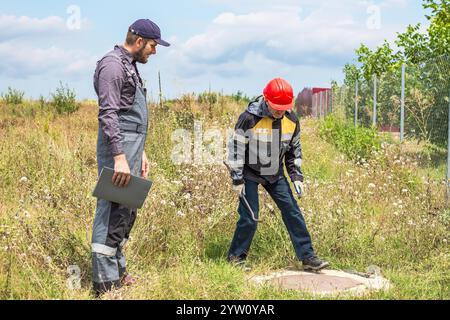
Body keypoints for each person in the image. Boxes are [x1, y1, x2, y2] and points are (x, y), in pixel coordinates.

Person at [91, 19, 170, 295]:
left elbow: (129, 116)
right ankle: (104, 283)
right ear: (139, 42)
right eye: (152, 45)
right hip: (120, 151)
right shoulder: (113, 65)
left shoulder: (130, 66)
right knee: (111, 209)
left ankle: (118, 271)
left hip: (132, 148)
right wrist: (120, 157)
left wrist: (141, 152)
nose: (154, 51)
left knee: (125, 211)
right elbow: (109, 114)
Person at [226, 78, 329, 271]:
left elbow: (294, 151)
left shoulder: (291, 120)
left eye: (284, 108)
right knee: (250, 215)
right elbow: (236, 149)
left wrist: (296, 177)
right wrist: (237, 178)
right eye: (276, 108)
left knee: (292, 211)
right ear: (266, 100)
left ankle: (308, 257)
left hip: (275, 173)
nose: (280, 112)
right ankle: (235, 258)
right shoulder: (249, 118)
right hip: (249, 172)